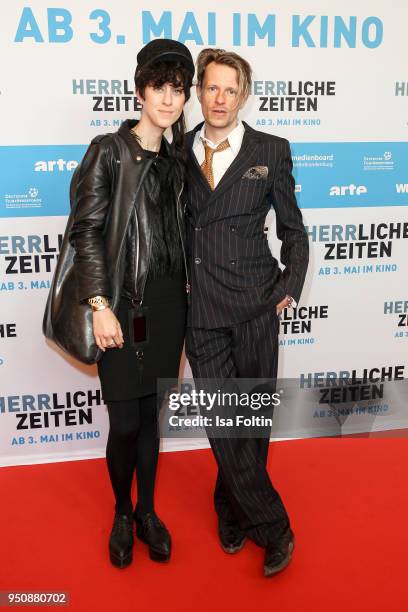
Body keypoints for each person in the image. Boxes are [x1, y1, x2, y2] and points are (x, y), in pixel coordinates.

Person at [69, 39, 194, 569]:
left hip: (169, 305)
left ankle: (147, 512)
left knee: (150, 420)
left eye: (178, 89)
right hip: (120, 302)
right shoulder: (109, 150)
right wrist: (100, 304)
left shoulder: (179, 159)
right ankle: (122, 512)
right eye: (159, 87)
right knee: (123, 422)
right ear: (140, 89)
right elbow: (86, 231)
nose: (168, 99)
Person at [184, 48, 309, 576]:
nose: (220, 99)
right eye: (210, 88)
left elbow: (293, 230)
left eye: (229, 90)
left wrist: (289, 285)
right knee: (223, 420)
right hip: (203, 308)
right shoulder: (176, 152)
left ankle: (230, 505)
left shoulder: (271, 149)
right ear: (197, 92)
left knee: (251, 422)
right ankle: (274, 525)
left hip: (257, 302)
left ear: (243, 95)